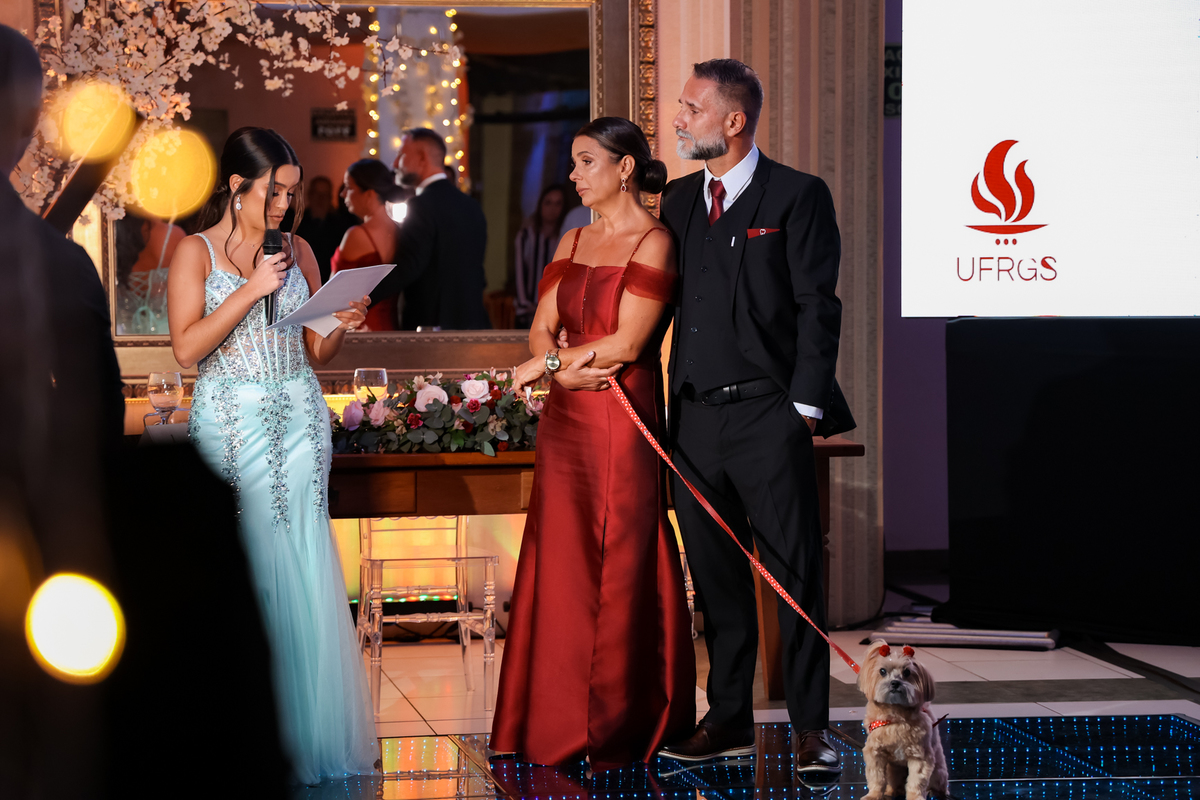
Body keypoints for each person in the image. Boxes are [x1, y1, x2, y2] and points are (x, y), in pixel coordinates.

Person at [656, 59, 855, 772]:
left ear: (734, 121)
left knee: (794, 576)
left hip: (769, 416)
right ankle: (728, 719)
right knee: (716, 579)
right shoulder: (678, 201)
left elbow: (817, 306)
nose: (678, 119)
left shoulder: (797, 195)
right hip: (694, 422)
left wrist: (802, 409)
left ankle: (811, 728)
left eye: (691, 108)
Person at [166, 126, 378, 786]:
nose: (286, 205)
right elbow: (185, 349)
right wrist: (252, 287)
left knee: (305, 562)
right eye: (275, 191)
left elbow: (317, 353)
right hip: (231, 423)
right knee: (243, 564)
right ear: (237, 186)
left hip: (301, 421)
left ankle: (307, 736)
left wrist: (341, 322)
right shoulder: (194, 252)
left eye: (292, 192)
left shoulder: (302, 249)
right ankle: (240, 734)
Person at [492, 117, 695, 772]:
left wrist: (553, 365)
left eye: (586, 161)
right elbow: (541, 328)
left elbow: (629, 343)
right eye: (574, 162)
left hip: (620, 413)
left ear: (624, 167)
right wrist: (556, 367)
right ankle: (549, 719)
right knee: (561, 559)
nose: (574, 175)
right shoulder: (573, 237)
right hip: (568, 416)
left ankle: (614, 722)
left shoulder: (656, 241)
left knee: (619, 557)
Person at [371, 128, 491, 330]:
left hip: (432, 328)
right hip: (473, 323)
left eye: (401, 155)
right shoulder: (471, 206)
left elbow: (409, 267)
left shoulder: (420, 206)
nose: (395, 164)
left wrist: (362, 298)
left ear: (421, 158)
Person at [332, 159, 402, 330]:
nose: (342, 194)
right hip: (391, 328)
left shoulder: (357, 235)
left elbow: (334, 295)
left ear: (369, 194)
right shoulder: (400, 231)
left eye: (349, 187)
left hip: (360, 329)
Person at [513, 184, 567, 328]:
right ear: (540, 205)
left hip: (556, 313)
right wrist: (527, 304)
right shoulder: (526, 236)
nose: (552, 208)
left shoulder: (565, 238)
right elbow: (519, 273)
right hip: (527, 313)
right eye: (548, 202)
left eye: (558, 203)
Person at [296, 175, 351, 283]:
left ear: (330, 198)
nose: (320, 199)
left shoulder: (341, 226)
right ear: (309, 195)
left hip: (330, 282)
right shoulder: (296, 223)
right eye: (317, 194)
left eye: (325, 195)